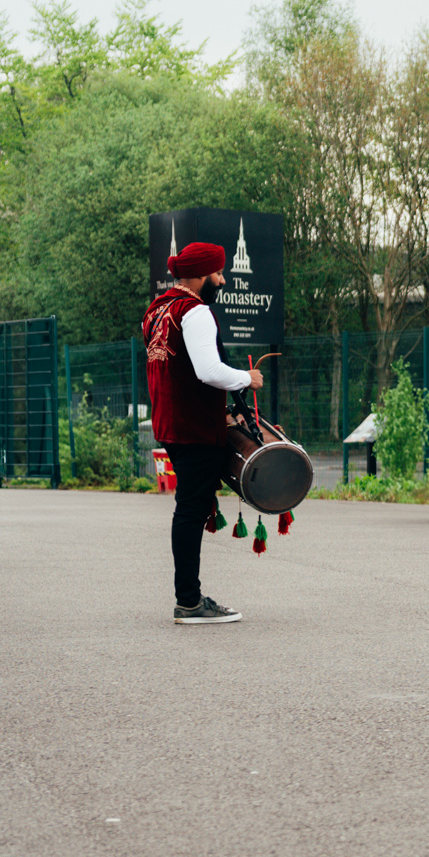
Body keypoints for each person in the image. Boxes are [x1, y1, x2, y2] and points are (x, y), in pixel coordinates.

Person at [143, 243, 260, 623]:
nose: (222, 281)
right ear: (200, 275)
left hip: (170, 424)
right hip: (193, 428)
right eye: (218, 273)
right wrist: (247, 378)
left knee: (189, 509)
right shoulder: (195, 311)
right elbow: (208, 371)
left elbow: (177, 372)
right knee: (191, 511)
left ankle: (189, 598)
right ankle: (189, 602)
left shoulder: (157, 311)